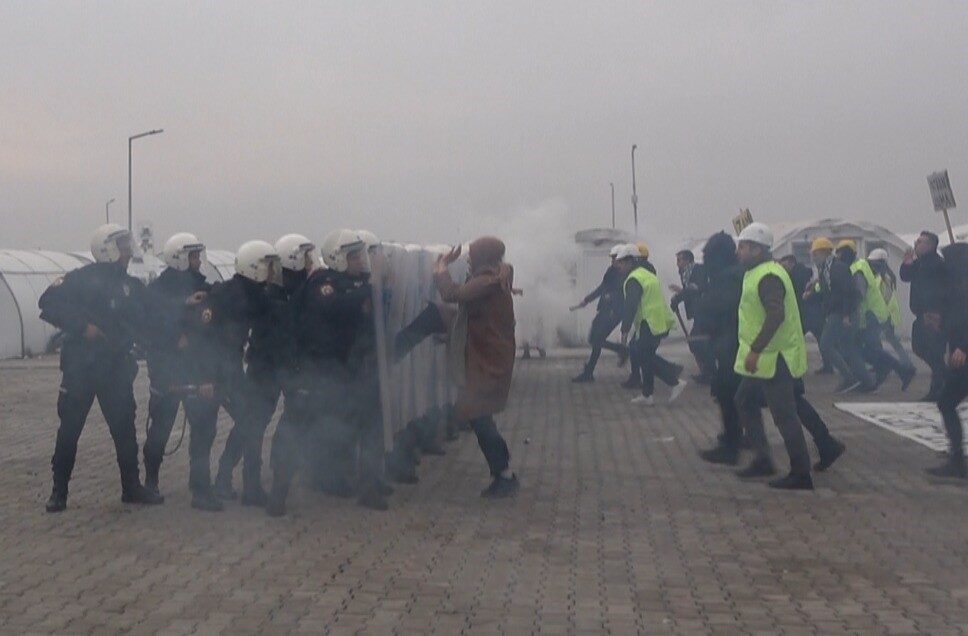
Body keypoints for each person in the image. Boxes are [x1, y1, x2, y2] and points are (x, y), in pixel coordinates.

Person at [39, 224, 164, 512]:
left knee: (125, 430)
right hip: (80, 369)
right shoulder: (80, 279)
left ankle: (131, 487)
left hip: (115, 369)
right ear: (106, 248)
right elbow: (47, 302)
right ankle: (59, 491)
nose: (128, 250)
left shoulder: (131, 286)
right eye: (122, 245)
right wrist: (83, 326)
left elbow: (153, 316)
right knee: (69, 430)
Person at [141, 232, 223, 511]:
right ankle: (150, 480)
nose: (198, 261)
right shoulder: (157, 291)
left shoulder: (203, 287)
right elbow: (149, 324)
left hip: (196, 368)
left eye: (199, 255)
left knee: (203, 429)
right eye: (193, 256)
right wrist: (176, 331)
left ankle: (200, 488)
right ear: (178, 259)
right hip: (167, 371)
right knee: (160, 429)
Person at [434, 237, 519, 497]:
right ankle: (502, 471)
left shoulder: (488, 281)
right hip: (489, 356)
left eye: (473, 254)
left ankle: (503, 473)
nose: (469, 259)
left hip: (486, 359)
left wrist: (440, 269)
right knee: (481, 415)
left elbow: (452, 294)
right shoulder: (497, 275)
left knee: (478, 415)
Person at [731, 223, 814, 490]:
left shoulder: (768, 276)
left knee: (784, 415)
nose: (739, 252)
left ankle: (801, 473)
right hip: (766, 357)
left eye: (743, 247)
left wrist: (755, 349)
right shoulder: (757, 272)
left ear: (757, 249)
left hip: (775, 356)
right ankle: (763, 459)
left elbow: (775, 314)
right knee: (743, 399)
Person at [210, 241, 281, 506]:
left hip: (232, 369)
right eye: (266, 266)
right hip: (221, 371)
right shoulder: (236, 296)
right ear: (253, 267)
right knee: (249, 423)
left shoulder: (248, 291)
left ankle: (232, 479)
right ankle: (234, 482)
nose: (271, 272)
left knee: (249, 423)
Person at [694, 232, 746, 464]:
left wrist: (704, 304)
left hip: (731, 346)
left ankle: (732, 447)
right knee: (732, 395)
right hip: (730, 345)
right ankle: (734, 438)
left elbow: (722, 308)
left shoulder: (729, 278)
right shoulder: (730, 274)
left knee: (728, 394)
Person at [614, 244, 687, 406]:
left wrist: (624, 332)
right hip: (658, 321)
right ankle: (648, 395)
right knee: (643, 357)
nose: (617, 266)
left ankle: (674, 381)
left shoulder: (634, 279)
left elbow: (631, 306)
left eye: (620, 262)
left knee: (642, 356)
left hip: (650, 323)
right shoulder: (646, 274)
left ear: (629, 262)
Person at [837, 240, 914, 391]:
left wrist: (849, 313)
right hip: (873, 314)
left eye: (839, 252)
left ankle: (898, 370)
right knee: (867, 348)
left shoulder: (858, 269)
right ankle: (892, 371)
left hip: (870, 315)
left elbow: (860, 294)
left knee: (865, 349)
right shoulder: (860, 267)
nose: (837, 256)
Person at [805, 237, 873, 393]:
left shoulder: (837, 268)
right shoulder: (826, 270)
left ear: (824, 253)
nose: (813, 258)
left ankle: (849, 378)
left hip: (842, 312)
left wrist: (846, 315)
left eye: (815, 254)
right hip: (840, 312)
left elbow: (847, 292)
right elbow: (827, 291)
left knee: (826, 345)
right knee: (848, 348)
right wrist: (812, 292)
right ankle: (866, 382)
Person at [929, 242, 968, 478]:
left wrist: (964, 347)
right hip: (959, 355)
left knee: (946, 401)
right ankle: (956, 457)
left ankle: (956, 460)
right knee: (946, 402)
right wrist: (940, 324)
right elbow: (956, 321)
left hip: (963, 357)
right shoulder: (956, 287)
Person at [900, 231, 948, 401]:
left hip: (934, 316)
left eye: (920, 242)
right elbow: (905, 276)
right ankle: (943, 377)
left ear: (930, 245)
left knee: (935, 352)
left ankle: (938, 388)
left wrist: (936, 312)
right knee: (919, 347)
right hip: (921, 314)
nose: (916, 244)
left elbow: (940, 290)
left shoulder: (937, 264)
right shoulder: (919, 263)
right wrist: (907, 262)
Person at [570, 244, 627, 382]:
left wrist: (612, 297)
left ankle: (590, 371)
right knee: (594, 339)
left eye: (615, 259)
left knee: (597, 340)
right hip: (605, 309)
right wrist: (586, 300)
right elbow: (602, 287)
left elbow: (623, 292)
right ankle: (621, 350)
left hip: (614, 312)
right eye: (612, 259)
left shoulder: (626, 274)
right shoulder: (611, 271)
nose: (612, 262)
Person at [779, 254, 831, 374]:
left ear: (791, 262)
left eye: (784, 264)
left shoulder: (797, 273)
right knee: (820, 339)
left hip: (806, 312)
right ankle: (828, 365)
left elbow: (797, 291)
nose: (783, 267)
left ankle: (792, 365)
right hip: (812, 312)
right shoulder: (803, 272)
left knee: (796, 339)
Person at [867, 249, 916, 371]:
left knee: (882, 339)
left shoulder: (884, 276)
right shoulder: (884, 274)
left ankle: (904, 364)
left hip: (884, 314)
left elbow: (884, 296)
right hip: (884, 313)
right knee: (887, 339)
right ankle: (905, 363)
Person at [670, 249, 714, 383]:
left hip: (706, 311)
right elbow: (690, 290)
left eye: (680, 260)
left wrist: (678, 297)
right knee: (698, 342)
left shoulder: (697, 270)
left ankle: (710, 373)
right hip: (700, 312)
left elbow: (696, 288)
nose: (677, 264)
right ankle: (708, 372)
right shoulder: (686, 273)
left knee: (696, 342)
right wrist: (680, 294)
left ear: (688, 260)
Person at [622, 243, 657, 390]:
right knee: (641, 350)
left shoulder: (638, 273)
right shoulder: (650, 269)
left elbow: (633, 302)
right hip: (649, 318)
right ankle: (642, 381)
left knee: (640, 350)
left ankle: (669, 375)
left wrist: (625, 327)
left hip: (647, 319)